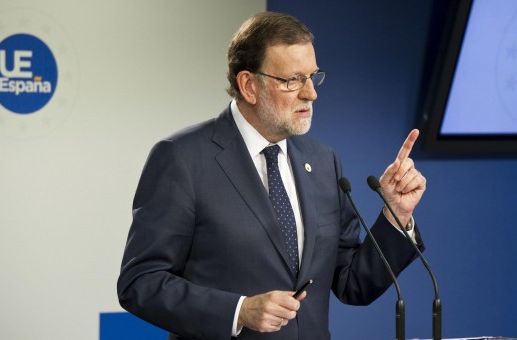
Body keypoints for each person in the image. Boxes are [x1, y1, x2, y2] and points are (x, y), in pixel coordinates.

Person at [117, 11, 427, 340]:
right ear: (249, 85)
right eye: (292, 80)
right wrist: (239, 310)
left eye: (313, 76)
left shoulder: (322, 162)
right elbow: (141, 282)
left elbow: (354, 284)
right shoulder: (183, 158)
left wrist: (397, 215)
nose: (311, 93)